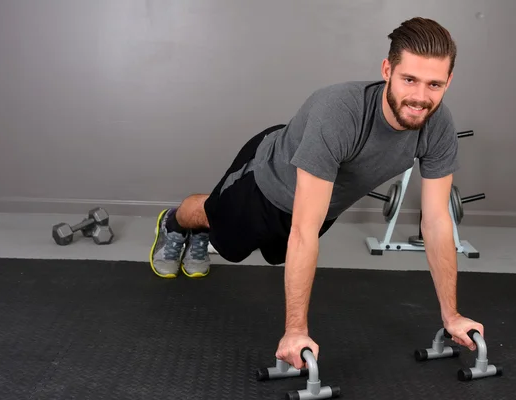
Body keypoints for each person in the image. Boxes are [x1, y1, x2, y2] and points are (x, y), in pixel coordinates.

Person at [149, 17, 484, 370]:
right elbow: (304, 232)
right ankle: (175, 223)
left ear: (449, 81)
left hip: (317, 203)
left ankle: (202, 227)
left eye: (434, 84)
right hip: (265, 182)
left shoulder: (439, 126)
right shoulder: (339, 112)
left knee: (279, 254)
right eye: (409, 79)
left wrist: (453, 315)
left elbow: (435, 221)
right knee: (220, 234)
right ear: (387, 70)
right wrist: (295, 332)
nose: (419, 97)